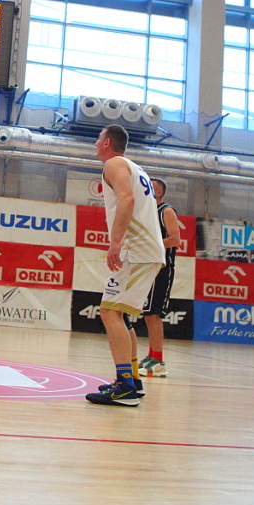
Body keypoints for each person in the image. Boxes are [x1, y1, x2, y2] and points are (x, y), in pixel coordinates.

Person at [85, 125, 164, 407]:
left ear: (107, 142)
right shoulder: (134, 167)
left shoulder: (114, 164)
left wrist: (115, 242)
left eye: (98, 139)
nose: (95, 143)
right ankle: (132, 381)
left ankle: (125, 387)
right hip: (145, 250)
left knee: (109, 312)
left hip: (136, 250)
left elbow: (127, 199)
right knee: (120, 315)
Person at [138, 178, 179, 378]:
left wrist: (150, 245)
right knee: (148, 313)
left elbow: (175, 239)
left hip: (163, 267)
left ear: (160, 192)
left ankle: (159, 360)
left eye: (151, 187)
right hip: (149, 266)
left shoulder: (166, 211)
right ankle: (152, 355)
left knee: (155, 314)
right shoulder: (147, 212)